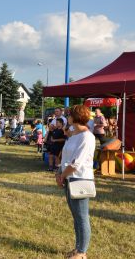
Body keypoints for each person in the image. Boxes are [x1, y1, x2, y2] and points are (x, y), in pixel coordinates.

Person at [56, 105, 95, 259]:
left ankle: (82, 252)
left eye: (69, 114)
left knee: (82, 216)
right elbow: (65, 157)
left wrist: (62, 176)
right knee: (76, 216)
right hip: (68, 177)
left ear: (76, 117)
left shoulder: (87, 137)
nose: (68, 117)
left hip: (79, 178)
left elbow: (76, 163)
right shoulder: (73, 135)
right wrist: (59, 173)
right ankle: (78, 248)